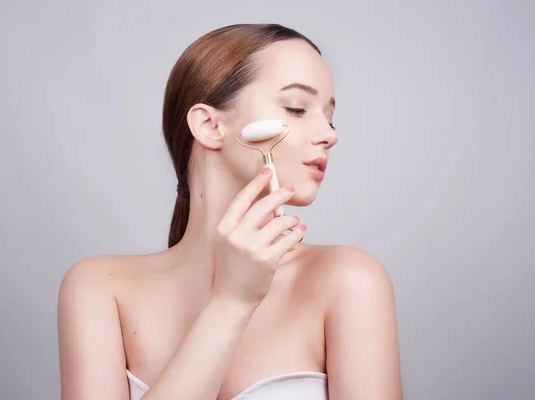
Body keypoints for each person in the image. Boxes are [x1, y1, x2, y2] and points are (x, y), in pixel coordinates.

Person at [57, 23, 402, 400]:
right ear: (209, 125)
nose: (330, 134)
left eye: (330, 117)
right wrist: (232, 302)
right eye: (297, 108)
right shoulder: (100, 289)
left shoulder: (349, 282)